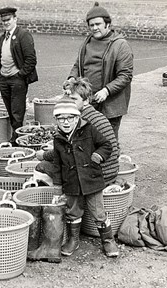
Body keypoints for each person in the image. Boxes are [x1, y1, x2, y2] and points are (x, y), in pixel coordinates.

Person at [52, 96, 119, 258]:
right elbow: (56, 165)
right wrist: (57, 187)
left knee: (98, 212)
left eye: (70, 118)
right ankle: (73, 240)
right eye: (61, 119)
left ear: (77, 117)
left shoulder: (89, 129)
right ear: (56, 121)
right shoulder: (58, 139)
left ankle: (108, 240)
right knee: (73, 212)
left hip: (92, 180)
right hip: (72, 183)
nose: (66, 122)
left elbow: (106, 145)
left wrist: (98, 155)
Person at [35, 77, 119, 187]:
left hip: (99, 175)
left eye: (74, 99)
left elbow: (65, 153)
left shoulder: (82, 121)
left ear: (86, 101)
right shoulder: (95, 115)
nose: (70, 102)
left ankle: (60, 195)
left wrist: (43, 155)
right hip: (111, 171)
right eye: (69, 99)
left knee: (42, 166)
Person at [67, 2, 133, 142]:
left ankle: (111, 163)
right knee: (88, 139)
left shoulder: (120, 45)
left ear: (107, 24)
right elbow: (78, 64)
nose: (95, 28)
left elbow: (125, 76)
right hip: (88, 101)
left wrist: (106, 91)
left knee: (107, 141)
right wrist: (72, 79)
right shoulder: (88, 42)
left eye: (98, 24)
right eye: (91, 25)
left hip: (110, 103)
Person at [0, 7, 38, 145]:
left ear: (15, 19)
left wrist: (20, 75)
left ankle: (17, 141)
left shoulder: (23, 35)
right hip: (4, 78)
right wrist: (0, 72)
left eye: (8, 20)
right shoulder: (3, 36)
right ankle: (16, 137)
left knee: (17, 112)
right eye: (3, 21)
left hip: (17, 80)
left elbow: (31, 59)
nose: (6, 23)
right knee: (9, 110)